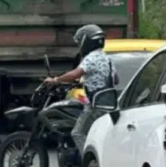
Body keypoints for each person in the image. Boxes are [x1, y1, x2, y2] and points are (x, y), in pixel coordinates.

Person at [44, 25, 117, 153]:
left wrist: (56, 80)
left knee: (77, 133)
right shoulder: (107, 58)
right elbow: (115, 79)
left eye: (80, 42)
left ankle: (90, 160)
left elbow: (75, 74)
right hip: (108, 104)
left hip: (95, 106)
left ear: (87, 41)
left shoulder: (91, 58)